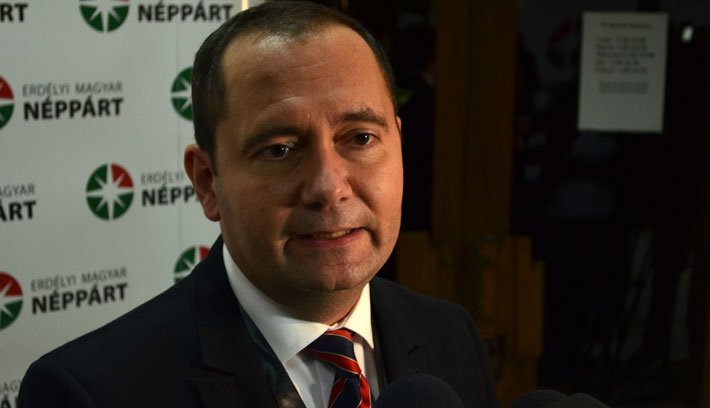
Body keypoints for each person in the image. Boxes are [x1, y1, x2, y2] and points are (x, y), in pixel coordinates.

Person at [18, 2, 497, 407]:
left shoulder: (450, 334)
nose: (329, 187)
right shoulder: (87, 392)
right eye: (280, 150)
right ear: (207, 182)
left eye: (361, 138)